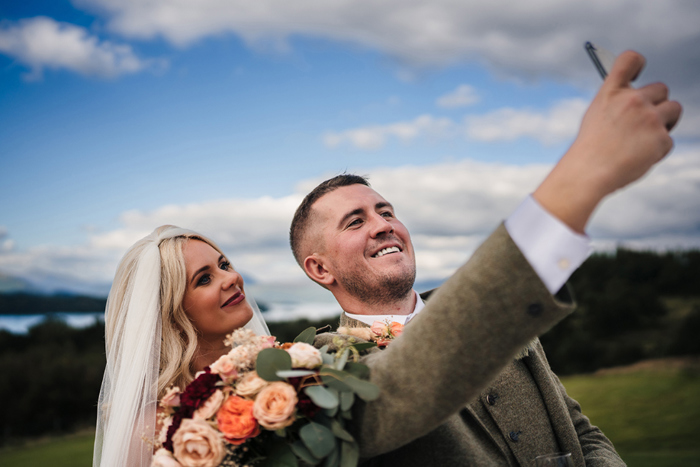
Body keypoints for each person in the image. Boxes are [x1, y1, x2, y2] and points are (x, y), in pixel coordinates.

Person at [289, 51, 682, 466]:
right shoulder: (323, 370)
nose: (383, 225)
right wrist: (589, 168)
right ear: (319, 268)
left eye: (386, 211)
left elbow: (578, 428)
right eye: (355, 222)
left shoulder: (504, 320)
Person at [92, 225, 269, 467]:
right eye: (204, 279)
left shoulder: (269, 377)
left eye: (224, 265)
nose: (232, 278)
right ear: (170, 315)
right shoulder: (151, 429)